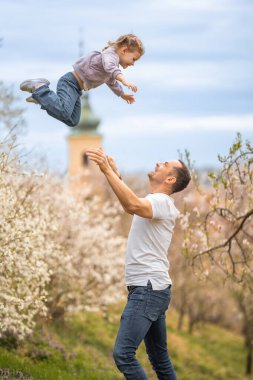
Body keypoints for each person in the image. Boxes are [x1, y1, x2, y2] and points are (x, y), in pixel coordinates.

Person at [86, 148, 191, 380]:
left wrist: (106, 170)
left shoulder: (162, 202)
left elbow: (132, 205)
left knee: (123, 354)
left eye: (164, 164)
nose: (157, 163)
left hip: (148, 289)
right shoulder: (157, 202)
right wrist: (113, 174)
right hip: (152, 289)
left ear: (170, 179)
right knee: (159, 359)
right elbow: (131, 201)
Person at [19, 34, 144, 127]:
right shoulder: (110, 56)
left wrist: (122, 94)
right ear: (123, 50)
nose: (133, 64)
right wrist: (125, 81)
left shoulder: (112, 67)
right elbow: (111, 69)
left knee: (73, 121)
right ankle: (40, 88)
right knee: (64, 112)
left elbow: (112, 82)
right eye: (133, 59)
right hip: (69, 82)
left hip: (77, 89)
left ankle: (41, 98)